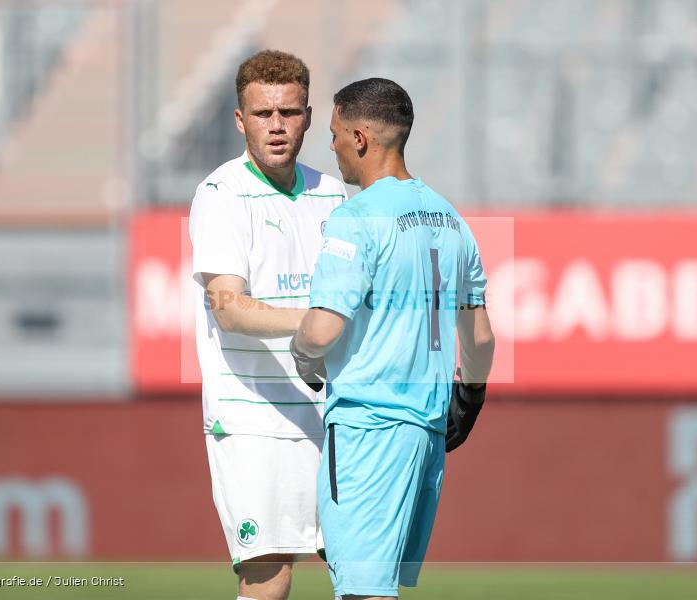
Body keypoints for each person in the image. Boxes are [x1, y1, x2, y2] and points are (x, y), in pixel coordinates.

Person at [289, 78, 495, 599]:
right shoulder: (451, 220)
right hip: (425, 434)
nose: (329, 145)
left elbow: (322, 328)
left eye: (335, 133)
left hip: (368, 429)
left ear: (360, 137)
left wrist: (303, 353)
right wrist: (469, 398)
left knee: (362, 592)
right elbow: (481, 336)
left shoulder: (355, 219)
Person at [188, 50, 346, 600]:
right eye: (262, 114)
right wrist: (315, 322)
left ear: (307, 115)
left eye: (289, 112)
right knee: (269, 578)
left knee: (357, 571)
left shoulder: (332, 194)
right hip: (254, 417)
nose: (276, 125)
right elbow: (228, 307)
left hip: (333, 414)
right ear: (240, 119)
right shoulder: (220, 194)